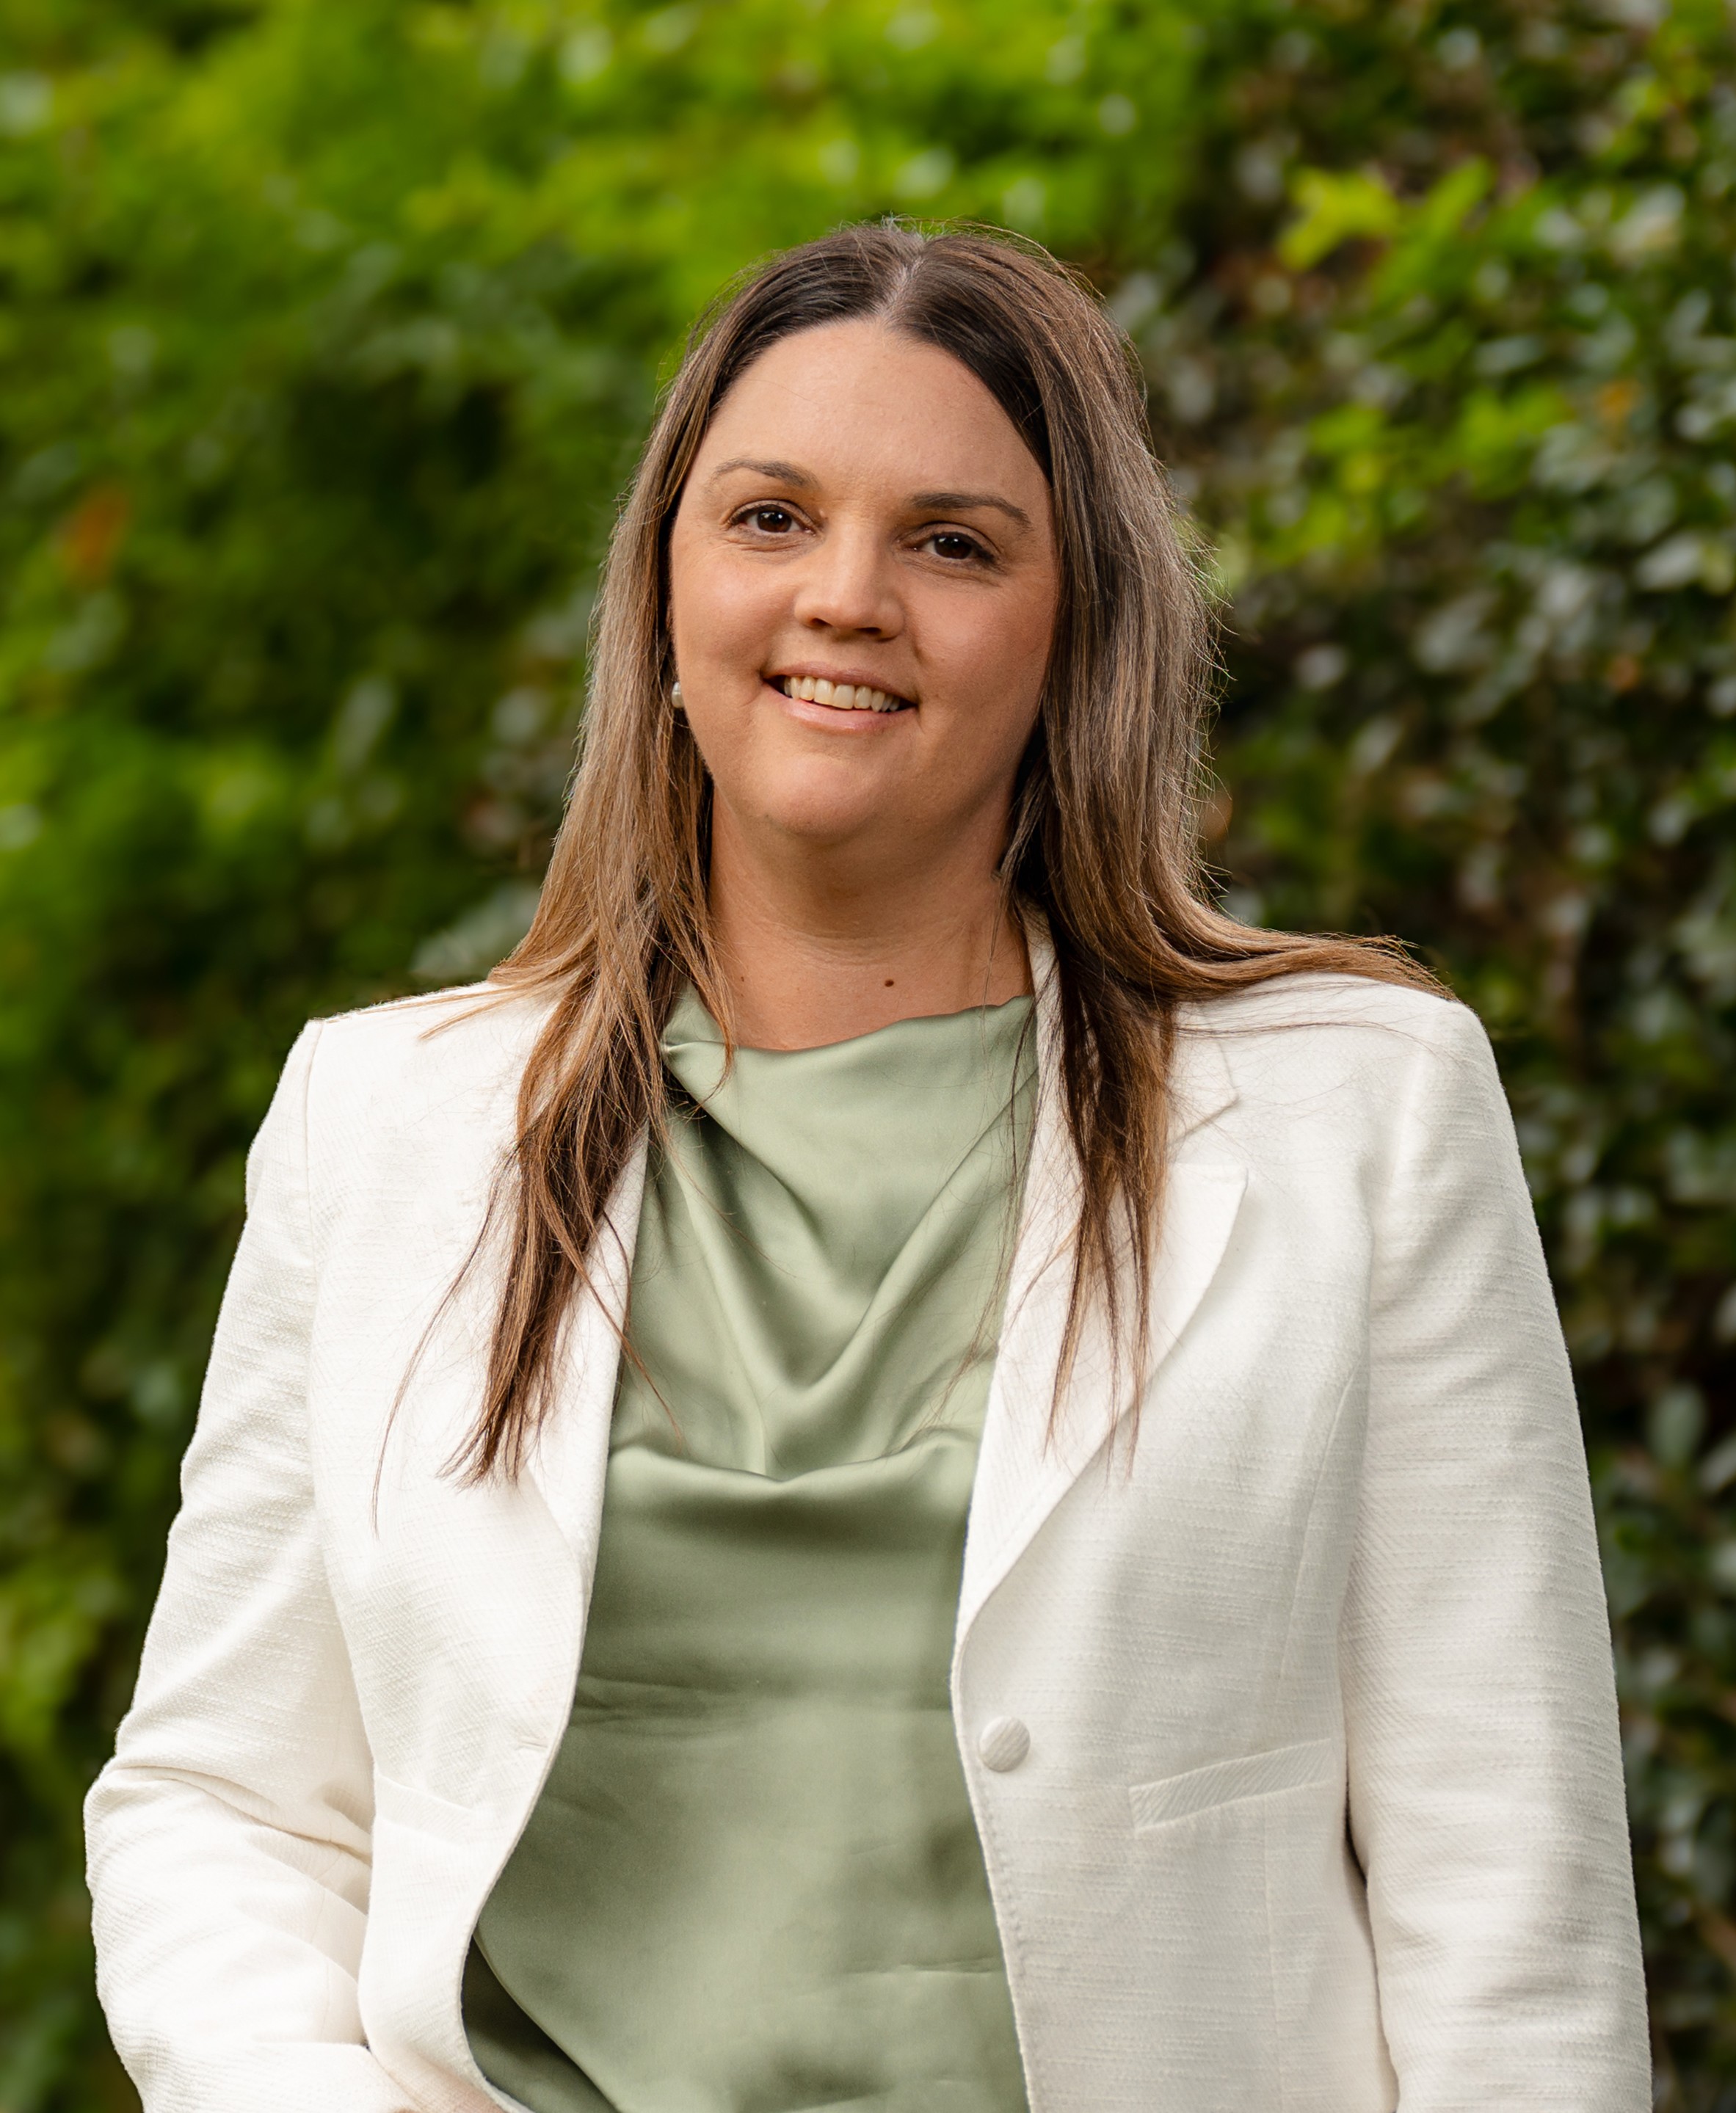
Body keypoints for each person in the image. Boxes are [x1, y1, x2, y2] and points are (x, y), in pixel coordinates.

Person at [85, 222, 1649, 2113]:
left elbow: (1509, 1885)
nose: (848, 596)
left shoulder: (1364, 1113)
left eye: (954, 541)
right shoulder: (388, 1124)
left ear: (1076, 632)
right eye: (769, 518)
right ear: (663, 592)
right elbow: (225, 1801)